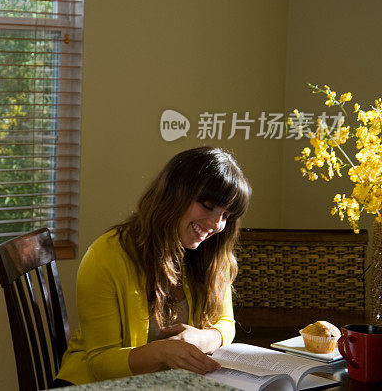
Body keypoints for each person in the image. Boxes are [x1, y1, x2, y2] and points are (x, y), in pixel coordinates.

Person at [54, 146, 251, 386]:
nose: (215, 224)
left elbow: (225, 324)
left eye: (226, 215)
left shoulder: (213, 255)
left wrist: (203, 339)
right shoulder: (105, 256)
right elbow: (100, 363)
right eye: (208, 206)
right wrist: (163, 352)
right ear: (174, 194)